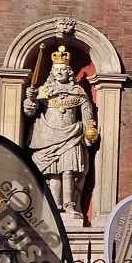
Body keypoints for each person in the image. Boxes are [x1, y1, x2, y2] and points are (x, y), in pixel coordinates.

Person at [22, 45, 98, 220]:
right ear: (52, 72)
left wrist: (90, 131)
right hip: (47, 136)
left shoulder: (78, 92)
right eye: (56, 69)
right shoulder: (43, 91)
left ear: (69, 71)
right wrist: (30, 100)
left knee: (69, 171)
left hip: (71, 135)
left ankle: (70, 206)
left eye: (62, 69)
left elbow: (87, 114)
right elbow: (30, 112)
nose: (59, 72)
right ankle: (55, 204)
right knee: (53, 172)